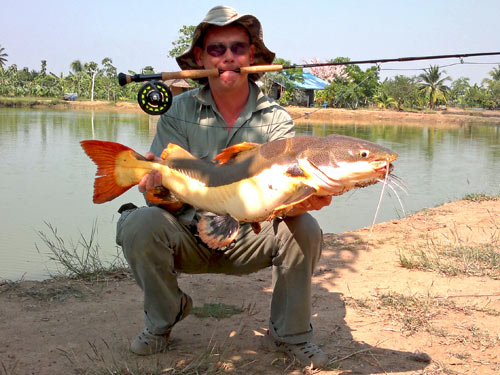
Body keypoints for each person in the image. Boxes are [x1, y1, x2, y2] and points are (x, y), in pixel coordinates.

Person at [116, 5, 332, 369]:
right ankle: (164, 318)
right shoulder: (177, 111)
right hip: (187, 232)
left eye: (237, 47)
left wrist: (303, 200)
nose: (228, 56)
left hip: (252, 234)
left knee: (305, 227)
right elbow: (163, 199)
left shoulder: (277, 119)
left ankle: (291, 333)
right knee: (140, 223)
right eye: (216, 49)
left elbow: (283, 198)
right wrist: (154, 189)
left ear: (251, 55)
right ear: (200, 57)